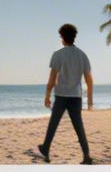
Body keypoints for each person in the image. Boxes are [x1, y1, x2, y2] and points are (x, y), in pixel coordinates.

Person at [39, 22, 95, 164]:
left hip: (61, 96)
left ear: (62, 37)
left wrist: (47, 95)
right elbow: (89, 81)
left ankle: (46, 149)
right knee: (79, 127)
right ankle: (86, 155)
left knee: (53, 124)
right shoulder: (82, 55)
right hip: (76, 97)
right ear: (74, 37)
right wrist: (89, 101)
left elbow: (52, 79)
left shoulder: (58, 54)